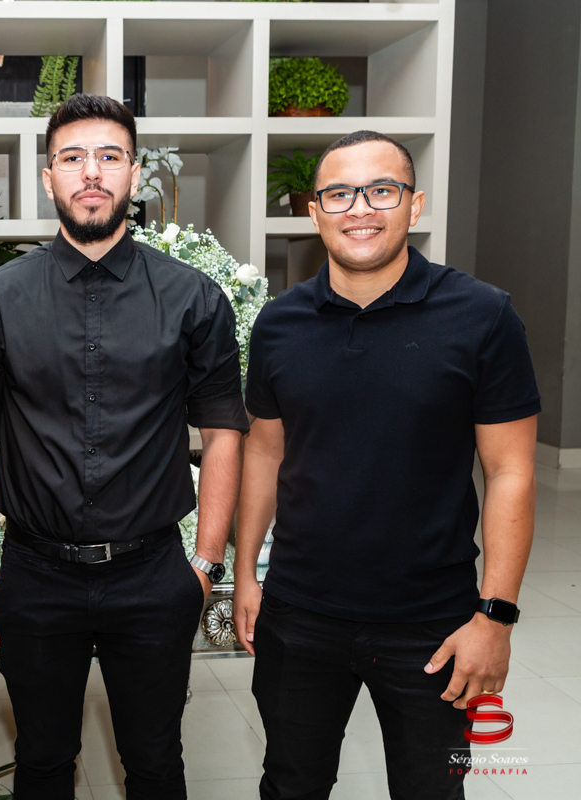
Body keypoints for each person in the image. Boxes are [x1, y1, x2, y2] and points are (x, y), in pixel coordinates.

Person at [0, 93, 249, 800]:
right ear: (48, 177)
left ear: (135, 174)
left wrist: (205, 564)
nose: (91, 172)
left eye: (109, 157)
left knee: (155, 764)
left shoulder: (193, 298)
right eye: (73, 158)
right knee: (42, 761)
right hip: (34, 574)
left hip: (153, 575)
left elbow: (224, 433)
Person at [233, 130, 539, 800]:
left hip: (435, 621)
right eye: (339, 194)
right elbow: (265, 450)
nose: (360, 209)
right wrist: (246, 572)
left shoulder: (483, 316)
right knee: (289, 784)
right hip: (300, 612)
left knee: (435, 791)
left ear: (414, 204)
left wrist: (495, 617)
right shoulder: (279, 323)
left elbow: (511, 472)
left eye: (382, 190)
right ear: (314, 212)